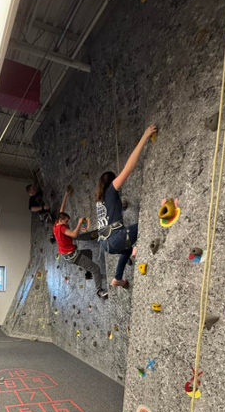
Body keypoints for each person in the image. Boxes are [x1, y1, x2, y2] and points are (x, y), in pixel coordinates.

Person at [96, 123, 157, 288]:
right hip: (117, 238)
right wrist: (145, 136)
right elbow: (129, 167)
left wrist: (121, 206)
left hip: (107, 245)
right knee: (146, 225)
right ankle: (135, 248)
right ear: (111, 182)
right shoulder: (110, 190)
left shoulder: (100, 201)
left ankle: (117, 278)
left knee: (126, 250)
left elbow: (110, 216)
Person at [54, 186, 108, 299]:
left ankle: (88, 273)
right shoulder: (62, 228)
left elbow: (61, 211)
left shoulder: (56, 224)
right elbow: (74, 234)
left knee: (88, 252)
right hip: (73, 256)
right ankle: (99, 291)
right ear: (61, 221)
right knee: (96, 269)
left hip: (67, 254)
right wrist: (79, 223)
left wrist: (65, 196)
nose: (67, 223)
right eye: (66, 221)